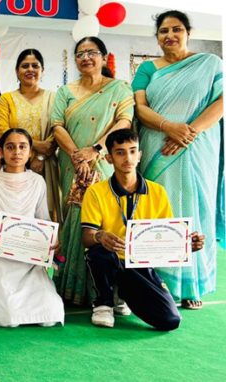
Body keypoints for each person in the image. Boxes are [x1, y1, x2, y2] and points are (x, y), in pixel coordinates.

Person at [132, 10, 223, 310]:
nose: (170, 35)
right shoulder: (147, 68)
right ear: (156, 37)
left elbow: (222, 102)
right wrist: (169, 127)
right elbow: (140, 107)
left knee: (198, 208)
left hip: (197, 146)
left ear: (188, 32)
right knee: (158, 208)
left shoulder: (210, 64)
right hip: (157, 144)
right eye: (163, 31)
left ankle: (191, 283)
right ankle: (158, 281)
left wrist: (190, 132)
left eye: (177, 29)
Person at [80, 129, 205, 330]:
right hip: (110, 258)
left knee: (170, 320)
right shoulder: (96, 191)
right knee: (98, 251)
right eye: (120, 152)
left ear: (140, 155)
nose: (127, 158)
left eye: (132, 151)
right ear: (109, 158)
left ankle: (123, 294)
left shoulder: (157, 192)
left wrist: (187, 244)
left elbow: (167, 238)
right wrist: (100, 235)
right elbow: (86, 238)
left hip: (140, 263)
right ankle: (103, 302)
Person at [51, 36, 135, 306]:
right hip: (71, 162)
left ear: (103, 56)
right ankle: (73, 289)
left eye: (92, 52)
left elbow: (124, 121)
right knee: (75, 218)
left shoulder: (120, 88)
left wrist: (95, 150)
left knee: (108, 220)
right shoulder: (65, 91)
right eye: (80, 53)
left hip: (107, 160)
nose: (86, 57)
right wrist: (78, 156)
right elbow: (57, 126)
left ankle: (110, 289)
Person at [0, 128, 65, 327]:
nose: (16, 152)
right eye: (10, 147)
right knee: (9, 317)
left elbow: (44, 219)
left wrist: (53, 241)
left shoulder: (37, 181)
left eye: (22, 147)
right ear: (0, 152)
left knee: (50, 314)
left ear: (31, 152)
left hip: (29, 259)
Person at [0, 49, 62, 222]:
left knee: (46, 211)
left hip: (47, 165)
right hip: (15, 164)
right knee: (15, 209)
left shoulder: (54, 98)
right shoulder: (6, 99)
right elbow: (2, 131)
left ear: (42, 71)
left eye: (35, 65)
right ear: (17, 71)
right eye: (25, 66)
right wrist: (35, 150)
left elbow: (59, 129)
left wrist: (39, 157)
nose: (30, 69)